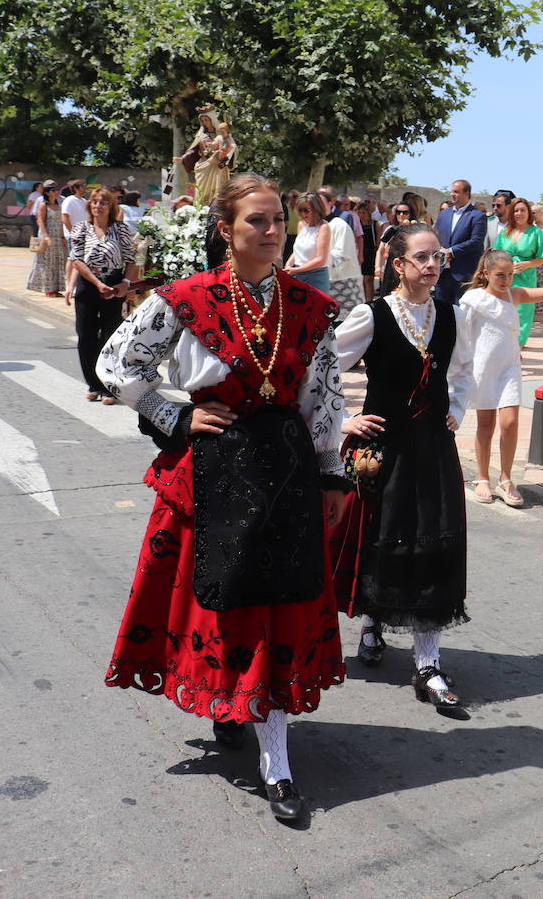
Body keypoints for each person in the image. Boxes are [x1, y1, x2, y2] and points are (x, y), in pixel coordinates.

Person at [97, 172, 347, 822]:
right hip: (216, 471)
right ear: (225, 231)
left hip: (287, 472)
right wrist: (173, 416)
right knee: (225, 606)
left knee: (279, 612)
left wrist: (333, 474)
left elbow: (325, 398)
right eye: (256, 222)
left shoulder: (312, 306)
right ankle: (234, 706)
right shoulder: (188, 298)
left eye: (277, 221)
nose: (271, 232)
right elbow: (118, 362)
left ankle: (278, 761)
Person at [328, 223, 473, 708]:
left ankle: (428, 664)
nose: (432, 266)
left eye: (438, 257)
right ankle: (372, 625)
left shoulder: (451, 315)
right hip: (385, 450)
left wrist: (457, 407)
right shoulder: (372, 316)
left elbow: (462, 370)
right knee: (384, 541)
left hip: (433, 447)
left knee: (433, 544)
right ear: (398, 265)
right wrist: (344, 420)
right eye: (422, 257)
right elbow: (321, 365)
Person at [461, 248, 543, 507]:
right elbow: (461, 336)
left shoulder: (515, 295)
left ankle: (506, 478)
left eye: (509, 274)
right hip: (483, 368)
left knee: (509, 422)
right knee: (485, 426)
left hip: (509, 368)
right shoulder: (472, 299)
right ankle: (483, 477)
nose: (505, 280)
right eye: (500, 275)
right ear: (486, 274)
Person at [68, 188, 139, 404]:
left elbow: (131, 261)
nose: (98, 206)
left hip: (114, 285)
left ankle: (109, 385)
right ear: (89, 206)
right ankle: (93, 384)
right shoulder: (81, 229)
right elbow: (77, 260)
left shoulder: (121, 230)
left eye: (103, 203)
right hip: (89, 285)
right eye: (95, 202)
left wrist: (125, 284)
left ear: (111, 207)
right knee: (86, 335)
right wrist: (97, 283)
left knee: (110, 337)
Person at [493, 197, 543, 348]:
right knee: (503, 312)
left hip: (526, 279)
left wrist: (527, 264)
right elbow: (495, 252)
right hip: (505, 279)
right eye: (515, 210)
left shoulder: (536, 233)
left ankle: (518, 347)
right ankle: (504, 346)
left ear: (528, 213)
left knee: (522, 315)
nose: (519, 213)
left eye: (522, 210)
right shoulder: (505, 232)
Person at [434, 178, 488, 305]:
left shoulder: (477, 216)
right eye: (452, 191)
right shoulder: (444, 214)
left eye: (456, 192)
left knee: (462, 312)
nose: (453, 194)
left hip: (463, 274)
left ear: (466, 194)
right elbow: (436, 235)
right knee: (440, 312)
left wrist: (451, 251)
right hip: (442, 272)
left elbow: (476, 241)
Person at [322, 194, 364, 316]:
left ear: (331, 203)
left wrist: (318, 268)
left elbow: (342, 256)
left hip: (340, 282)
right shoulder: (309, 227)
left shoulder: (339, 224)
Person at [26, 182, 69, 297]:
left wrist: (63, 237)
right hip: (47, 236)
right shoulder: (43, 205)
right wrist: (46, 236)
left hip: (57, 237)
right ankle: (48, 289)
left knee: (57, 262)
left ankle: (56, 288)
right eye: (53, 191)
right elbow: (40, 221)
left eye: (56, 190)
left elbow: (61, 223)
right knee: (47, 263)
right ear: (47, 193)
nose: (56, 193)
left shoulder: (59, 206)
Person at [285, 192, 332, 293]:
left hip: (316, 277)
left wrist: (296, 270)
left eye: (306, 210)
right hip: (298, 274)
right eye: (300, 210)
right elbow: (297, 251)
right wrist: (288, 265)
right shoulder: (301, 225)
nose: (303, 214)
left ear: (316, 209)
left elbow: (321, 259)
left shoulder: (323, 227)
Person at [374, 201, 415, 298]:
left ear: (410, 214)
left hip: (409, 269)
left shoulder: (415, 230)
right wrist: (378, 267)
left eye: (405, 212)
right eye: (398, 212)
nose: (401, 215)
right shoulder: (391, 229)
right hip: (390, 269)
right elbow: (380, 250)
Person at [61, 179, 89, 293]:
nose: (85, 189)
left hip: (84, 234)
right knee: (72, 259)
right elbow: (65, 218)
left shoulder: (84, 201)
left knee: (80, 259)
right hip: (73, 235)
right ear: (76, 188)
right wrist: (72, 232)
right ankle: (69, 285)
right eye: (82, 186)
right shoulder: (69, 200)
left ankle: (77, 283)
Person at [356, 199, 377, 302]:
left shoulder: (374, 224)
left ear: (368, 213)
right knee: (361, 279)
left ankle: (369, 300)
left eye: (363, 212)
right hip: (360, 252)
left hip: (371, 253)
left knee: (369, 278)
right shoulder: (356, 224)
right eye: (359, 212)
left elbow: (377, 241)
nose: (361, 215)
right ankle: (363, 299)